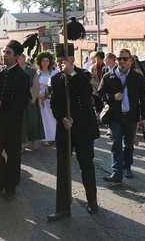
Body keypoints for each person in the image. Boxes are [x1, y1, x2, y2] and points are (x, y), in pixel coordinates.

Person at [48, 43, 99, 221]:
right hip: (65, 130)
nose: (60, 64)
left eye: (63, 61)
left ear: (71, 60)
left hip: (84, 129)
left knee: (87, 166)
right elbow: (54, 104)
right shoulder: (55, 80)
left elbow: (86, 95)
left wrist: (72, 74)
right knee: (63, 168)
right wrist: (62, 118)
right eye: (58, 61)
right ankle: (62, 208)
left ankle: (92, 201)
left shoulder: (83, 75)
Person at [0, 40, 29, 202]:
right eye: (4, 51)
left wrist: (4, 103)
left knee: (13, 155)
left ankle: (10, 187)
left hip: (11, 122)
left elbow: (23, 101)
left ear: (17, 56)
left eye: (8, 52)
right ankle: (0, 179)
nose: (4, 55)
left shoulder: (22, 76)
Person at [98, 49, 145, 183]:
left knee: (129, 145)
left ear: (131, 61)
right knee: (116, 143)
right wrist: (112, 97)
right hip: (115, 116)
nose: (122, 61)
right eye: (119, 59)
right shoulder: (109, 77)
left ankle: (127, 167)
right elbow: (100, 94)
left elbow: (144, 98)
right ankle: (116, 173)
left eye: (125, 59)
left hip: (131, 116)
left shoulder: (137, 77)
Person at [18, 53, 44, 151]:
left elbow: (36, 85)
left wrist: (30, 98)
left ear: (24, 59)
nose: (17, 59)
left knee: (33, 121)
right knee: (21, 123)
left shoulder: (31, 71)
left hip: (30, 101)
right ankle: (22, 144)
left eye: (19, 57)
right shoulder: (15, 70)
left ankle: (34, 139)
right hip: (19, 101)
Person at [36, 51, 58, 146]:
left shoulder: (53, 73)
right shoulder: (37, 74)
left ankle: (52, 136)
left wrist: (48, 94)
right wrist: (38, 94)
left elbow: (55, 85)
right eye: (43, 61)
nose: (45, 63)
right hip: (40, 97)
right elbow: (34, 85)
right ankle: (44, 137)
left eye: (47, 61)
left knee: (51, 117)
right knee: (43, 117)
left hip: (50, 97)